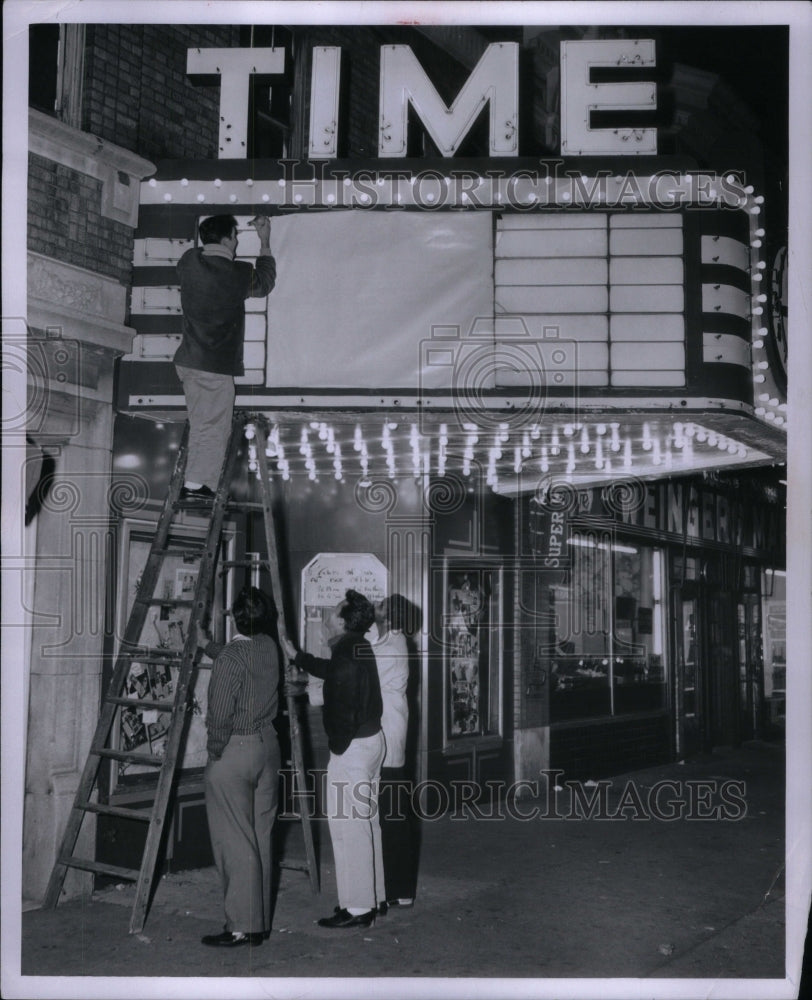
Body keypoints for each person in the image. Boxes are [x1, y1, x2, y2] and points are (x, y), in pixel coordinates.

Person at [281, 589, 385, 929]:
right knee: (367, 823)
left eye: (331, 611)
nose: (326, 615)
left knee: (346, 828)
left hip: (352, 748)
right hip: (372, 742)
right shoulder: (357, 645)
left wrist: (338, 748)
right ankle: (374, 897)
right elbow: (331, 669)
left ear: (340, 621)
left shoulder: (345, 654)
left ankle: (357, 909)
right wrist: (299, 656)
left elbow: (337, 702)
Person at [174, 213, 276, 500]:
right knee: (213, 427)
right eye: (235, 236)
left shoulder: (189, 261)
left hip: (187, 360)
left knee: (201, 422)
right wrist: (264, 241)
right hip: (214, 366)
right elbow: (265, 283)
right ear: (229, 238)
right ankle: (196, 485)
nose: (236, 241)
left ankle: (194, 480)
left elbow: (199, 253)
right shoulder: (239, 274)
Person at [201, 586, 281, 948]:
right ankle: (258, 922)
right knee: (260, 834)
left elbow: (219, 716)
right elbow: (235, 661)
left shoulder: (231, 658)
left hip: (235, 750)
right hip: (268, 747)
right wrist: (208, 646)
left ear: (233, 617)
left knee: (234, 839)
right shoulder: (267, 646)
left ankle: (241, 927)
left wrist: (215, 752)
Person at [373, 594, 419, 911]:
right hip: (393, 733)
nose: (376, 611)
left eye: (380, 608)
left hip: (388, 737)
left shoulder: (389, 647)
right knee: (394, 814)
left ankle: (397, 887)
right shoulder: (395, 641)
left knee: (391, 816)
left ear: (390, 617)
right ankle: (397, 887)